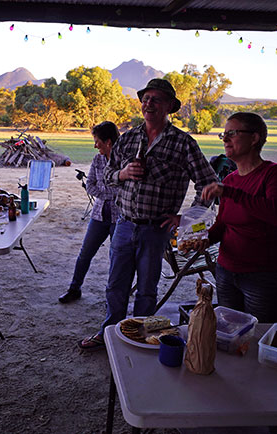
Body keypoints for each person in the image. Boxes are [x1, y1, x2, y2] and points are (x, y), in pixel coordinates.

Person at [78, 78, 217, 350]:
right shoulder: (128, 138)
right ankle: (109, 334)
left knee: (146, 289)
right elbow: (107, 176)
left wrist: (186, 217)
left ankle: (141, 337)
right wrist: (123, 173)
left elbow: (208, 183)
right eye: (145, 98)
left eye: (156, 99)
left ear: (169, 107)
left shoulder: (183, 143)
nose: (148, 103)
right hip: (124, 223)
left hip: (156, 229)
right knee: (115, 284)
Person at [200, 113, 277, 323]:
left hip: (263, 275)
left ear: (254, 138)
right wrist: (204, 239)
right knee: (230, 334)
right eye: (223, 135)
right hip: (225, 271)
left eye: (232, 133)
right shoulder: (231, 180)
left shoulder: (273, 173)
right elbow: (223, 224)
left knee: (261, 335)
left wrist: (230, 193)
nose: (225, 139)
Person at [58, 121, 120, 303]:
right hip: (99, 215)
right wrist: (110, 195)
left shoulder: (125, 161)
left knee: (116, 258)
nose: (95, 146)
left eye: (97, 141)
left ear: (108, 142)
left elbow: (128, 190)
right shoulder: (97, 160)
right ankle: (74, 288)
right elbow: (90, 185)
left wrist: (106, 194)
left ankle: (114, 295)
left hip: (121, 217)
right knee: (85, 253)